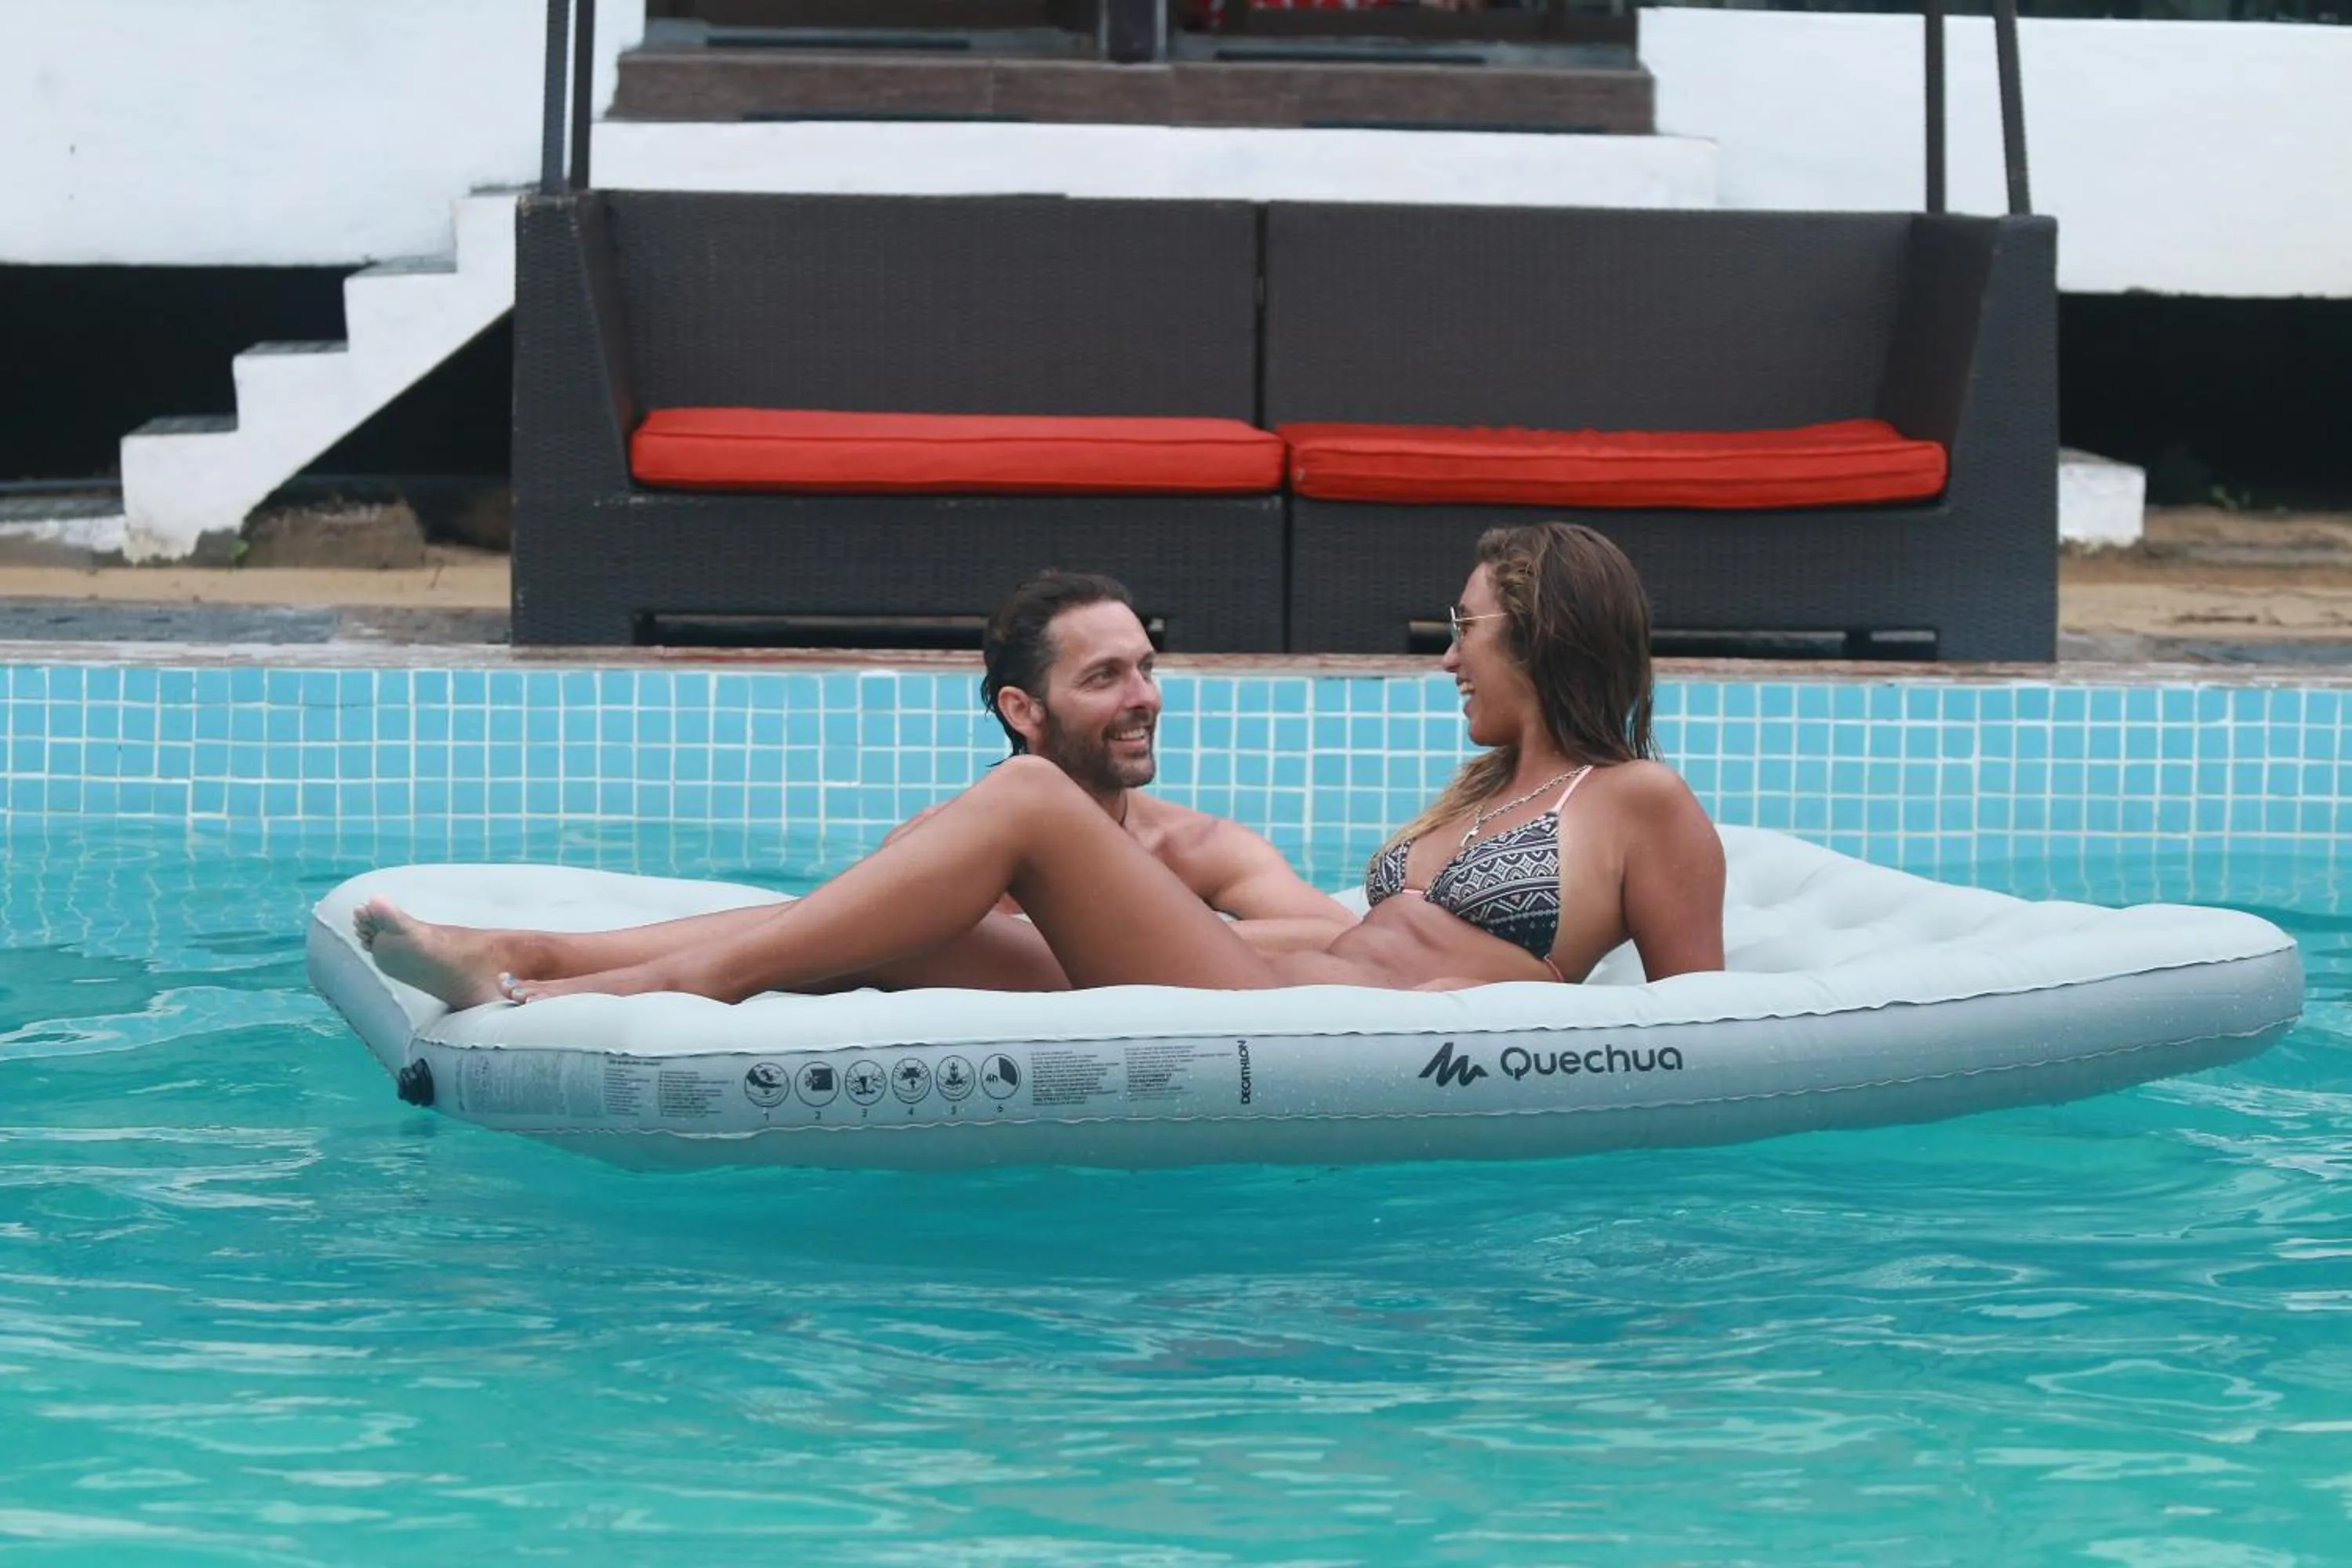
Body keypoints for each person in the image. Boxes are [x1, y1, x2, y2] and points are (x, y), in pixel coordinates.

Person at [366, 522, 1724, 1006]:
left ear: (1543, 635)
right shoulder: (1484, 801)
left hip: (1302, 1024)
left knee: (1022, 804)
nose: (1450, 660)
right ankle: (522, 953)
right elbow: (1369, 934)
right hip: (1287, 980)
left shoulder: (1637, 804)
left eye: (1471, 632)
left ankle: (665, 990)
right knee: (883, 925)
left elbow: (1705, 1029)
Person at [358, 571, 1355, 1007]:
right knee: (843, 924)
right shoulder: (957, 841)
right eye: (1106, 678)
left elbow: (1323, 937)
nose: (1144, 698)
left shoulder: (1205, 850)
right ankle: (524, 954)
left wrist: (1080, 929)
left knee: (917, 931)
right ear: (1022, 709)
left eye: (1146, 667)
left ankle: (542, 961)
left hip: (1169, 994)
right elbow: (819, 942)